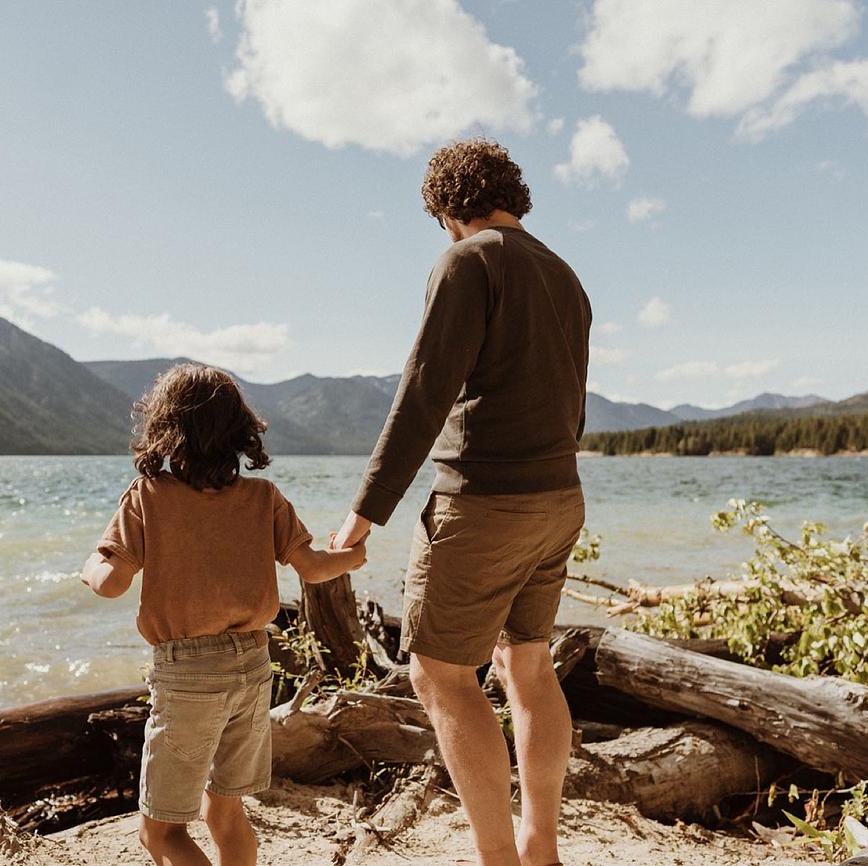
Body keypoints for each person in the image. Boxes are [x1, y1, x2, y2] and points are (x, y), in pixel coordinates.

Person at [333, 139, 591, 866]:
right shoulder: (564, 275)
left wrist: (362, 514)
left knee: (440, 674)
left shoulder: (466, 259)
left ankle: (497, 860)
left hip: (485, 501)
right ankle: (539, 845)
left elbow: (423, 393)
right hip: (558, 497)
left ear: (446, 209)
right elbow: (567, 403)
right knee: (527, 666)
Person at [82, 363, 367, 866]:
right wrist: (353, 555)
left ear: (165, 431)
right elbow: (315, 569)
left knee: (161, 833)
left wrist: (91, 565)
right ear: (239, 432)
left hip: (188, 673)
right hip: (254, 667)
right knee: (226, 813)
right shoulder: (264, 498)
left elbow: (111, 584)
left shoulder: (149, 496)